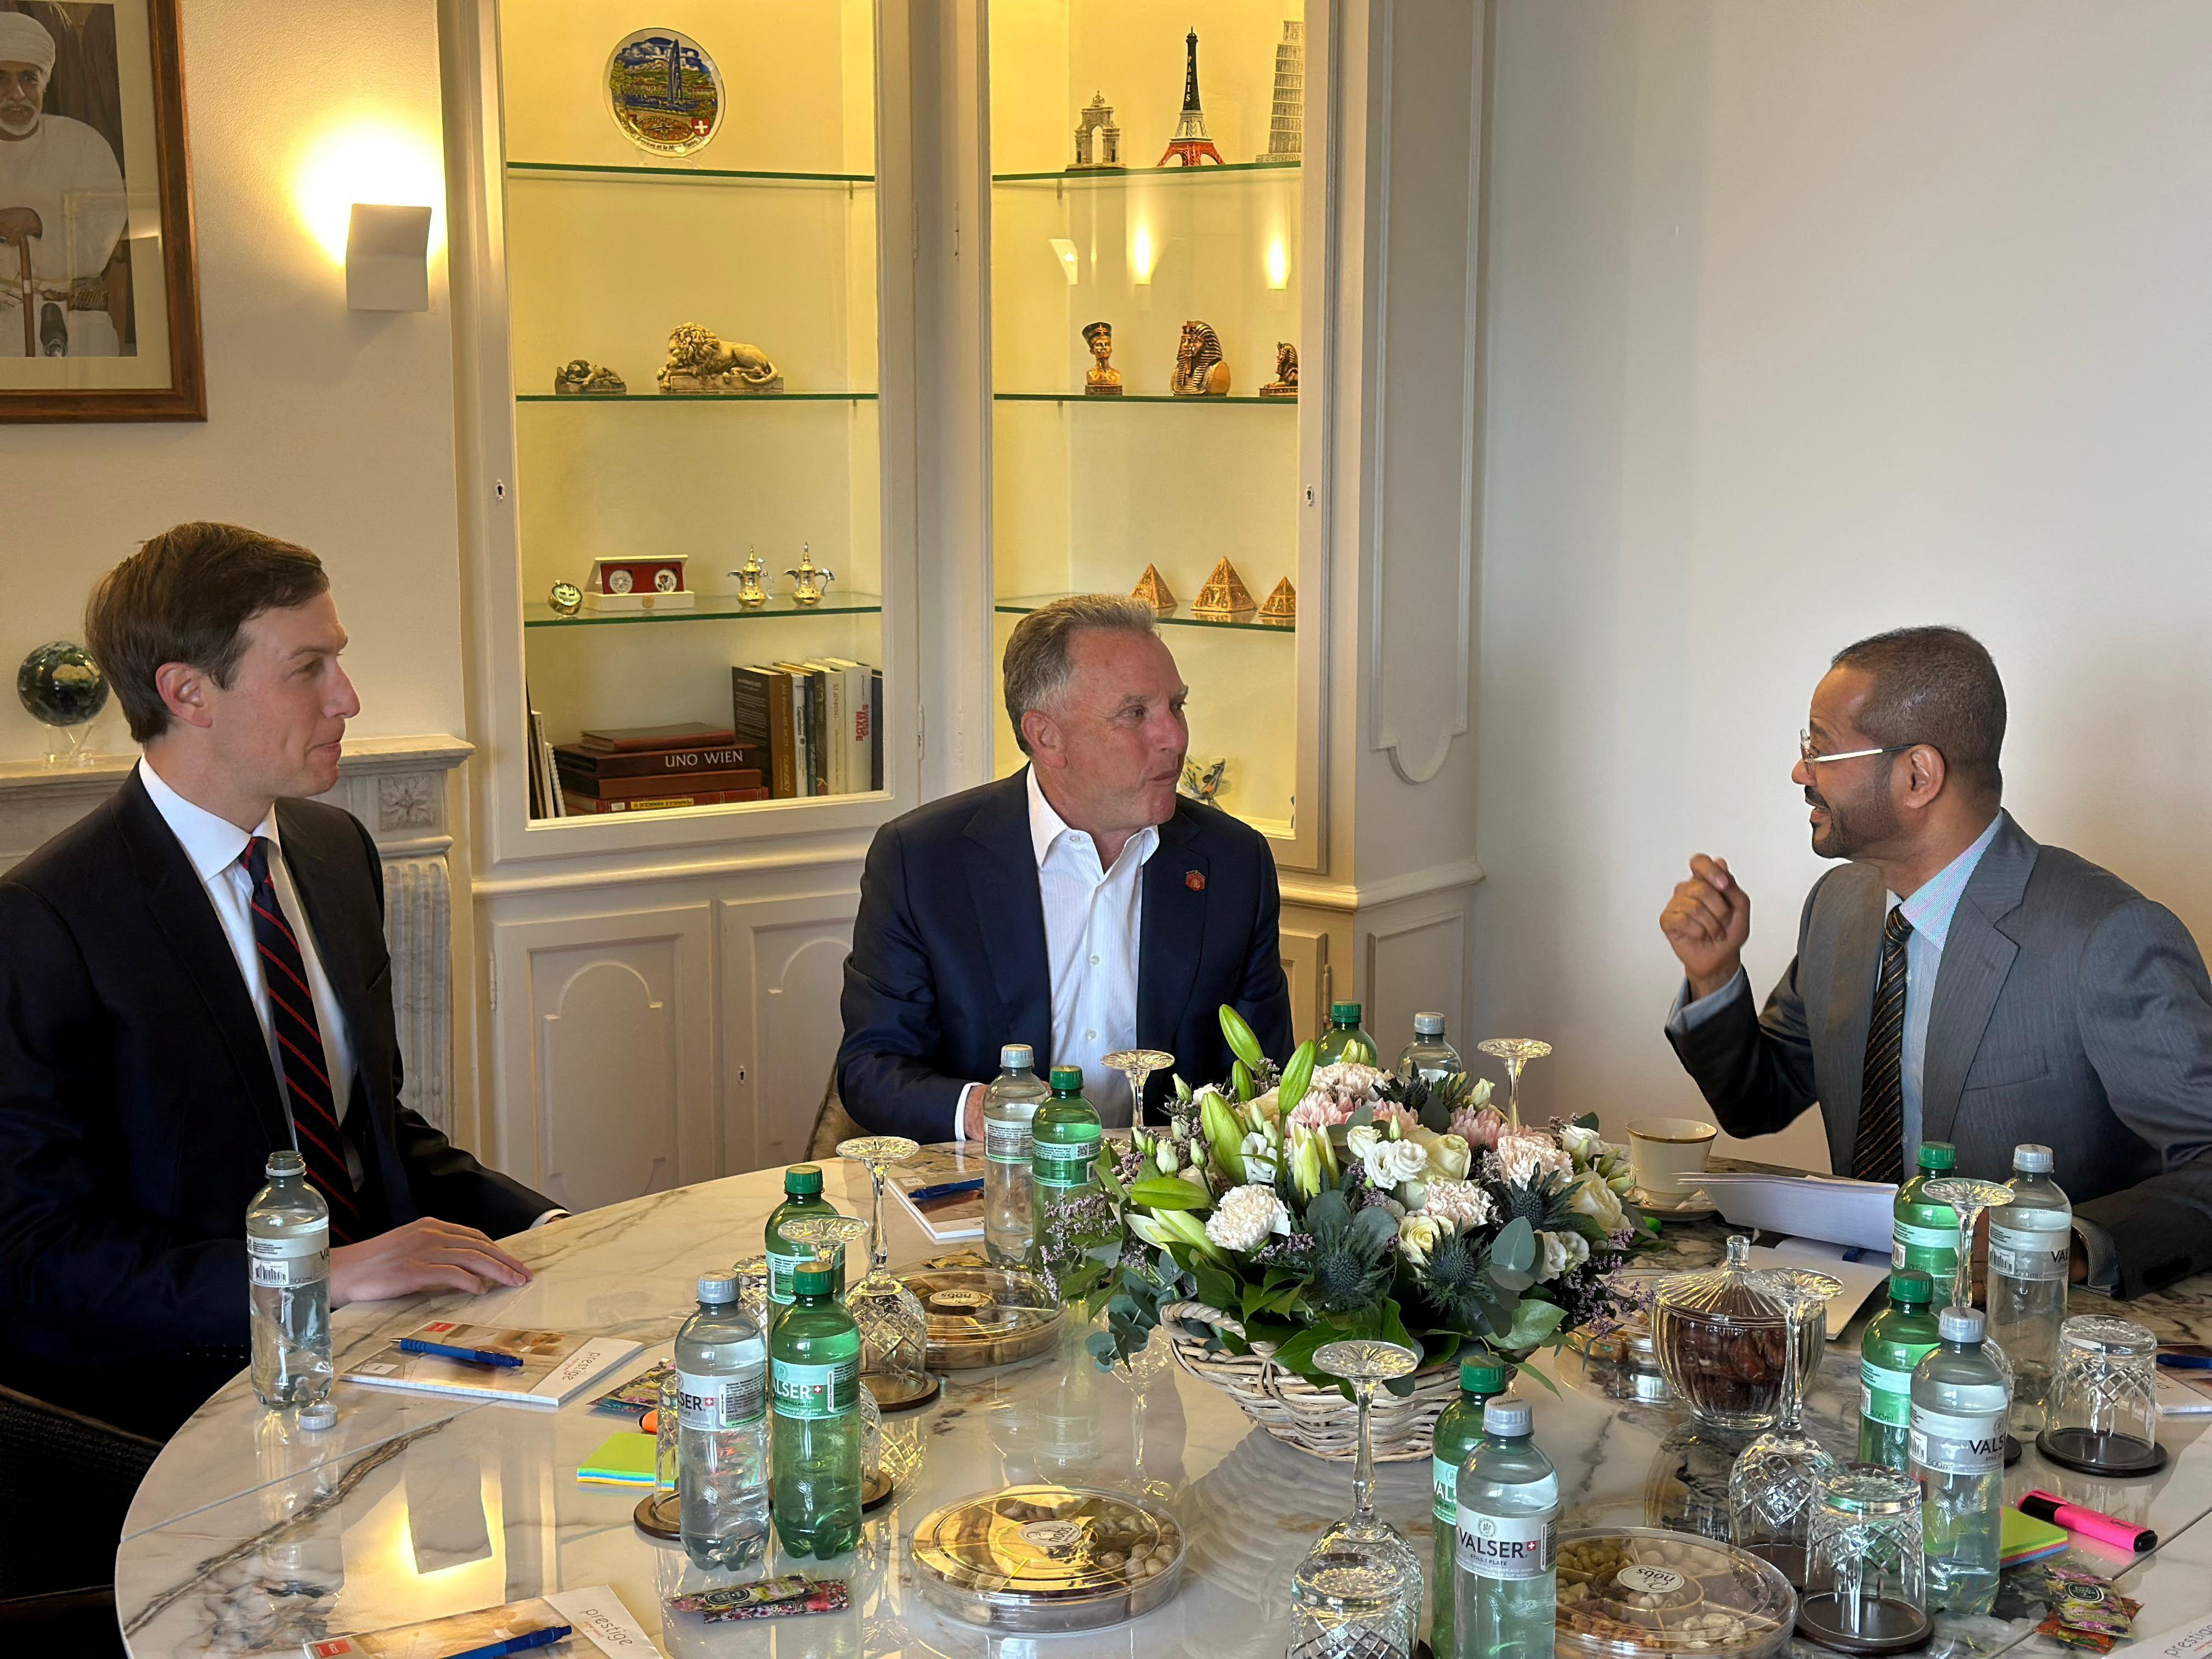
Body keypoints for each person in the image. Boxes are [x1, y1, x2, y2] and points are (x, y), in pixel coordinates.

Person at [0, 523, 561, 1438]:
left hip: (385, 1346)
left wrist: (555, 1231)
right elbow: (36, 1255)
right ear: (187, 691)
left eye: (337, 661)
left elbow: (369, 1130)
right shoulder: (45, 920)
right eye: (308, 669)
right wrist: (317, 1274)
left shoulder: (336, 853)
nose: (347, 697)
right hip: (173, 1398)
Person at [1659, 625, 2212, 1299]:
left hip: (2029, 1346)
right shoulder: (1840, 904)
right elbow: (1758, 1101)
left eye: (1821, 749)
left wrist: (2062, 1246)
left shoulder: (2107, 935)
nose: (1801, 773)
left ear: (1918, 775)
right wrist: (1714, 976)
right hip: (1856, 1312)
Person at [838, 594, 1294, 1142]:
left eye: (1177, 706)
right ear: (1047, 736)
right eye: (1136, 713)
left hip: (1171, 1203)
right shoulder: (923, 859)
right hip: (994, 1185)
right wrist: (987, 1112)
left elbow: (1265, 1077)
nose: (1174, 737)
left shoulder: (1232, 862)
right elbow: (872, 1069)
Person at [0, 11, 127, 357]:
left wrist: (39, 223)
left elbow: (101, 242)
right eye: (1, 79)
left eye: (29, 78)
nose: (16, 94)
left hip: (80, 328)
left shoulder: (83, 144)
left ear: (46, 81)